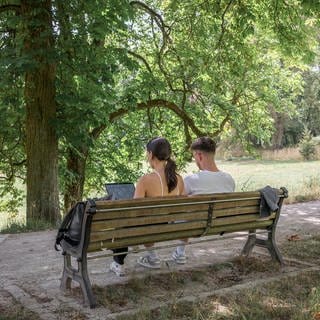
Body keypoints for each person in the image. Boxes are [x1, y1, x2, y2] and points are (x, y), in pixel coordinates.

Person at [173, 136, 235, 263]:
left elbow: (178, 206)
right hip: (220, 224)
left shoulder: (191, 179)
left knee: (182, 214)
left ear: (199, 155)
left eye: (194, 156)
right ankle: (179, 252)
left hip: (193, 225)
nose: (195, 159)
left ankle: (180, 252)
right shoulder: (229, 179)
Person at [134, 137, 185, 269]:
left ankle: (153, 257)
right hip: (173, 227)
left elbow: (134, 210)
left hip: (151, 230)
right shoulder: (178, 178)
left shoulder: (145, 180)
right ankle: (177, 253)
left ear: (151, 154)